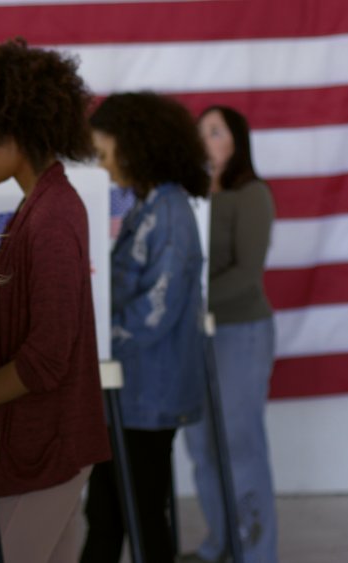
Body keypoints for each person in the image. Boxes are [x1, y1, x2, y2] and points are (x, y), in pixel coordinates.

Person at [0, 38, 112, 562]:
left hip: (48, 444)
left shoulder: (53, 216)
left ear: (19, 130)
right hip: (47, 443)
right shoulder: (42, 207)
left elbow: (48, 357)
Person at [80, 92, 210, 563]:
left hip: (148, 394)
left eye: (105, 154)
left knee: (139, 515)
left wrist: (91, 340)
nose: (104, 166)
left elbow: (156, 311)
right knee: (110, 511)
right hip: (132, 392)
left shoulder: (170, 213)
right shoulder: (149, 206)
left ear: (136, 147)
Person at [179, 106, 278, 563]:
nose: (206, 140)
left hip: (240, 332)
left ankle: (256, 553)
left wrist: (192, 301)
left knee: (240, 442)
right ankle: (222, 543)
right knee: (201, 446)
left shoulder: (251, 194)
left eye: (215, 132)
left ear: (236, 141)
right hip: (194, 336)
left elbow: (247, 272)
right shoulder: (188, 196)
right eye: (201, 132)